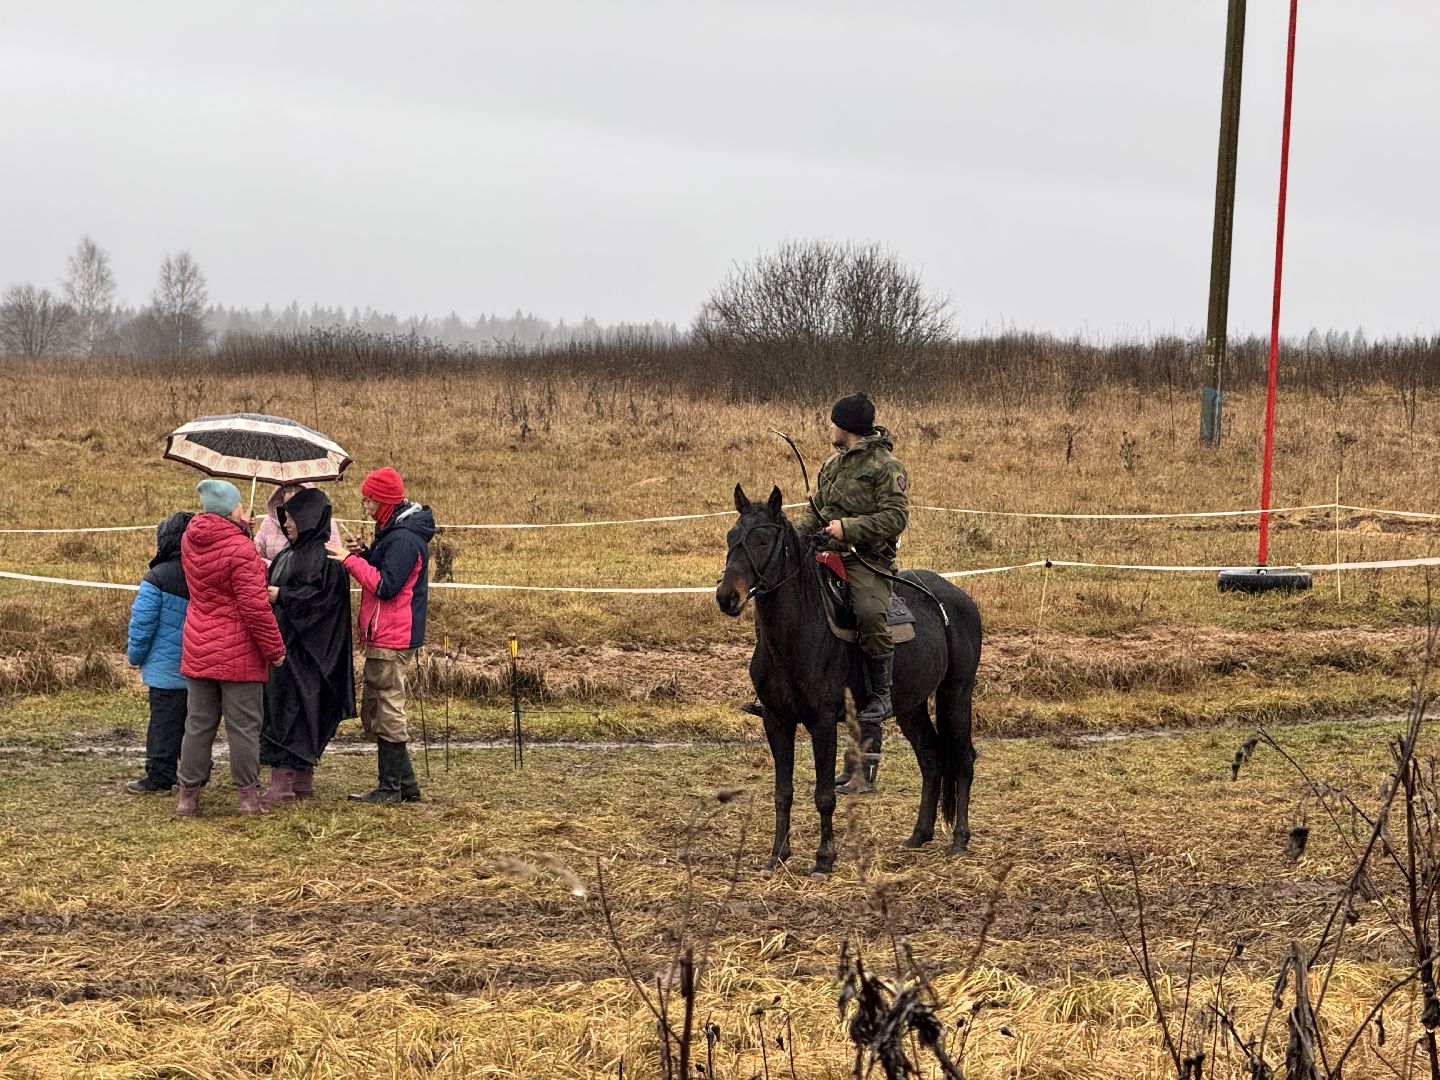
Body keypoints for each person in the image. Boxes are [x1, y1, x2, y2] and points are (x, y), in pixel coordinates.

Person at [793, 392, 910, 795]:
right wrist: (794, 538)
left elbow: (896, 517)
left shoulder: (886, 466)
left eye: (833, 422)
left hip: (867, 561)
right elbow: (818, 511)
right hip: (822, 555)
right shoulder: (831, 465)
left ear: (845, 426)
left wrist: (848, 530)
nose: (830, 428)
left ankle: (880, 694)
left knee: (868, 610)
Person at [175, 478, 287, 817]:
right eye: (239, 505)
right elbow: (255, 607)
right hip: (238, 651)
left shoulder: (189, 540)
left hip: (198, 644)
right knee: (244, 728)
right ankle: (248, 799)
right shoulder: (242, 550)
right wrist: (275, 649)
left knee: (197, 724)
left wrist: (240, 532)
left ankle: (187, 798)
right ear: (230, 510)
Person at [325, 467, 435, 804]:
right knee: (378, 706)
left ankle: (390, 788)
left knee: (387, 706)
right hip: (385, 631)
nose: (366, 506)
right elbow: (385, 570)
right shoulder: (393, 532)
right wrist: (366, 554)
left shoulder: (403, 539)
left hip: (391, 633)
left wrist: (349, 561)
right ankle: (406, 785)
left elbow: (386, 587)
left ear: (384, 500)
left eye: (369, 500)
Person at [259, 487, 356, 804]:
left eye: (292, 517)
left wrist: (282, 596)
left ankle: (287, 782)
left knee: (297, 710)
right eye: (285, 517)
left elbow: (323, 603)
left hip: (312, 654)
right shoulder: (289, 553)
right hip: (286, 648)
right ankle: (297, 778)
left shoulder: (327, 559)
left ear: (310, 518)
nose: (286, 523)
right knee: (281, 707)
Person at [123, 511, 194, 794]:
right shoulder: (205, 573)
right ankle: (194, 776)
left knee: (163, 724)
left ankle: (160, 777)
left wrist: (135, 656)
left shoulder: (156, 577)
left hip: (165, 671)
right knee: (196, 726)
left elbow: (142, 623)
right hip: (201, 667)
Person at [254, 482, 341, 564]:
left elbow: (335, 559)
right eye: (288, 490)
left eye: (298, 490)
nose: (292, 494)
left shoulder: (324, 522)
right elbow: (255, 557)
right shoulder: (268, 522)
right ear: (282, 494)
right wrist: (275, 568)